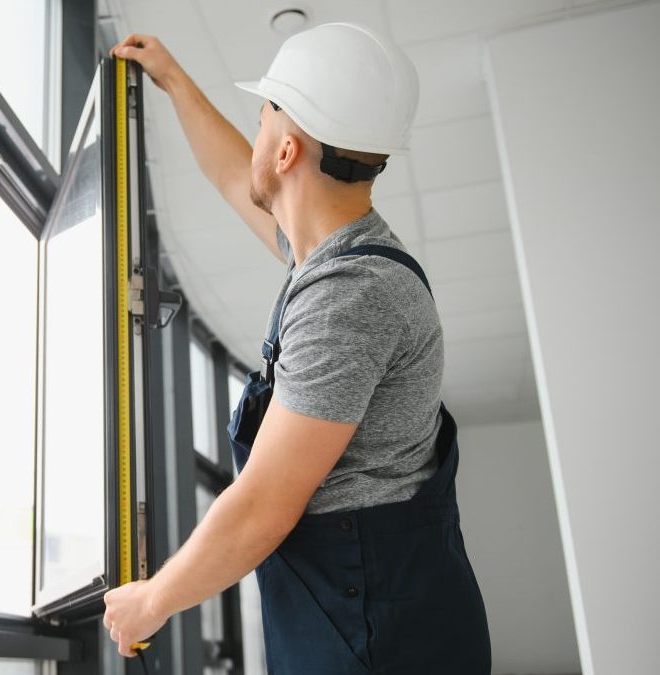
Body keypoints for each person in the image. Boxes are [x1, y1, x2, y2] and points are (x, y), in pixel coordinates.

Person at [101, 23, 491, 674]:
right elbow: (235, 178)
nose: (253, 139)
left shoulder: (350, 295)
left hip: (380, 641)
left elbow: (263, 506)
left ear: (285, 153)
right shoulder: (333, 259)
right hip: (358, 615)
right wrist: (174, 79)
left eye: (262, 122)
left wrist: (152, 601)